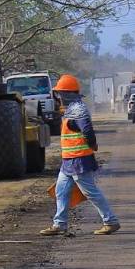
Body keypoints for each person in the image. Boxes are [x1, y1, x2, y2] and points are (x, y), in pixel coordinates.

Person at [41, 74, 120, 236]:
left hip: (79, 159)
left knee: (90, 192)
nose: (58, 97)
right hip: (69, 160)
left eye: (59, 94)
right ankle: (59, 224)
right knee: (61, 191)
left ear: (66, 94)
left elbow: (87, 130)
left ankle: (110, 221)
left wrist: (92, 144)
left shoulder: (78, 110)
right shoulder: (71, 110)